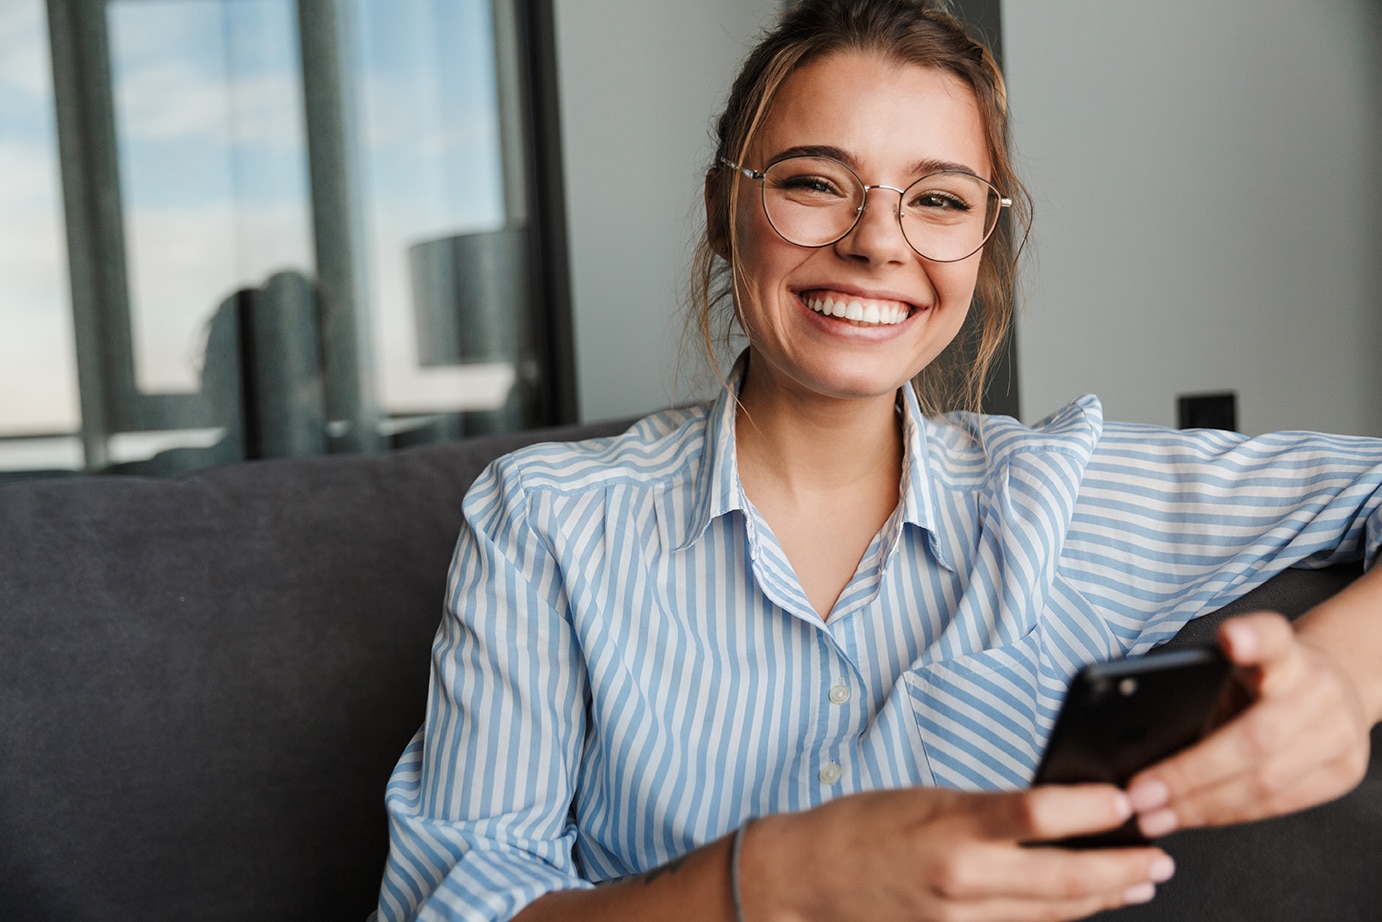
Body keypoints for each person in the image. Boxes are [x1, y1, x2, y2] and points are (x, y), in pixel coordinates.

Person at [374, 2, 1382, 920]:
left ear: (981, 246)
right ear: (726, 212)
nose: (873, 241)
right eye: (815, 182)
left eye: (937, 200)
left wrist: (1337, 675)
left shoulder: (1056, 496)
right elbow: (447, 907)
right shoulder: (544, 520)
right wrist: (767, 881)